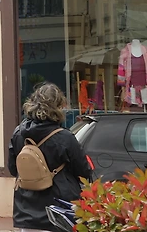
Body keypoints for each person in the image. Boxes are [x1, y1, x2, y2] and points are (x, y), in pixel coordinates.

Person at [8, 83, 93, 232]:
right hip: (58, 211)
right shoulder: (64, 137)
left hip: (25, 210)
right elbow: (83, 171)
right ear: (58, 107)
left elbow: (13, 168)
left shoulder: (18, 133)